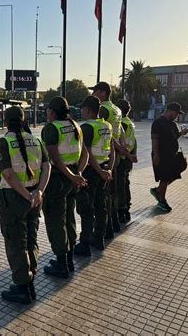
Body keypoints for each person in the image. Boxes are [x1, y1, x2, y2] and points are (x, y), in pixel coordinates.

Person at [0, 106, 51, 304]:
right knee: (31, 239)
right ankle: (30, 279)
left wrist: (26, 195)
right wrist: (39, 192)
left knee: (16, 243)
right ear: (24, 120)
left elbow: (8, 175)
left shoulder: (3, 143)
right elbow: (46, 167)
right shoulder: (36, 140)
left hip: (14, 200)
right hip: (35, 198)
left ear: (6, 122)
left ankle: (23, 288)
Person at [41, 97, 88, 279]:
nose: (46, 113)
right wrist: (79, 174)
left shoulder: (51, 129)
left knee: (56, 221)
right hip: (73, 179)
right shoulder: (76, 125)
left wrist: (72, 176)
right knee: (69, 217)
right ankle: (68, 260)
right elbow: (85, 153)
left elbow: (56, 160)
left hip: (58, 181)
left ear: (52, 111)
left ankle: (62, 264)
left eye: (48, 110)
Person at [74, 96, 113, 256]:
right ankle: (99, 239)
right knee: (101, 205)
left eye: (82, 108)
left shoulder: (87, 127)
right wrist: (108, 170)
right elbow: (112, 150)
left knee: (87, 207)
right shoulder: (107, 125)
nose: (81, 111)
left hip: (92, 171)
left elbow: (87, 154)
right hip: (104, 169)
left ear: (88, 110)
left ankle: (84, 243)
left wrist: (99, 171)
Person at [90, 81, 121, 238]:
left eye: (95, 91)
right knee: (111, 193)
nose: (93, 94)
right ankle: (113, 224)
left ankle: (104, 229)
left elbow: (104, 132)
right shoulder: (116, 109)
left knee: (101, 198)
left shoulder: (103, 109)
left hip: (103, 156)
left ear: (102, 93)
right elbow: (118, 131)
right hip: (112, 156)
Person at [150, 102, 188, 212]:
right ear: (171, 111)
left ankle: (158, 190)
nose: (177, 116)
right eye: (177, 113)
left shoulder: (172, 124)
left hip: (171, 155)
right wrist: (156, 155)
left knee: (176, 171)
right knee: (165, 178)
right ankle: (161, 200)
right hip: (162, 155)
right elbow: (155, 139)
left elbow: (174, 137)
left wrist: (181, 133)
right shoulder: (158, 123)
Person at [114, 99, 138, 223]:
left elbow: (118, 142)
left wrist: (128, 155)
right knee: (125, 184)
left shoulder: (121, 124)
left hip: (123, 158)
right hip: (127, 158)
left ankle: (121, 210)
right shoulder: (129, 122)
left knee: (120, 186)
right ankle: (126, 208)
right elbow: (134, 141)